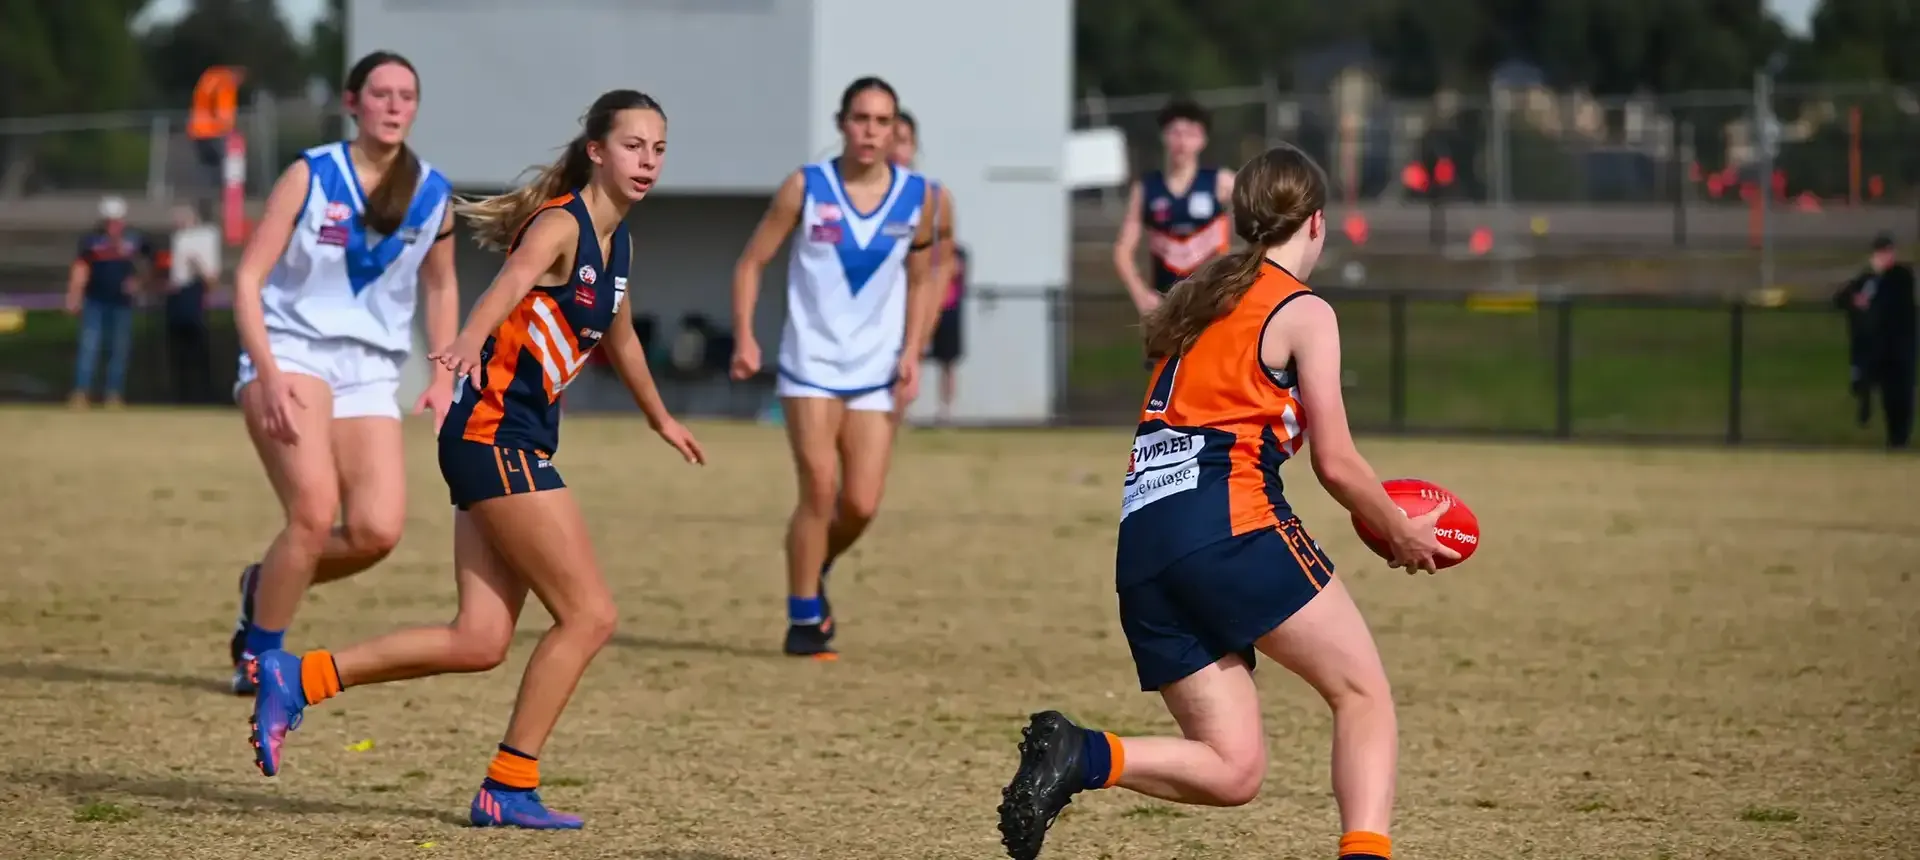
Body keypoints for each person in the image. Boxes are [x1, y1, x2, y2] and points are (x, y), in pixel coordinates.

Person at [245, 89, 706, 830]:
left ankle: (297, 676)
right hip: (496, 440)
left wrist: (660, 417)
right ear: (596, 151)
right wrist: (464, 345)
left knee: (480, 640)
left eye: (658, 148)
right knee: (589, 616)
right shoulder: (561, 224)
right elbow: (511, 282)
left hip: (500, 442)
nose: (647, 160)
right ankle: (508, 785)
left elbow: (618, 335)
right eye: (633, 145)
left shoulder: (619, 242)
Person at [996, 144, 1458, 860]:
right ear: (1316, 223)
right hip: (1228, 524)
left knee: (1234, 768)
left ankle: (1081, 755)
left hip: (1145, 543)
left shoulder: (1201, 297)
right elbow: (1336, 462)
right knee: (1363, 695)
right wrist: (1398, 529)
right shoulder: (1303, 311)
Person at [225, 51, 462, 695]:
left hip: (369, 371)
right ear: (352, 102)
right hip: (290, 352)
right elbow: (247, 278)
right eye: (380, 94)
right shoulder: (312, 174)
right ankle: (264, 658)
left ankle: (263, 582)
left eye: (405, 96)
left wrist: (443, 374)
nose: (393, 106)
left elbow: (442, 290)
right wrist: (267, 373)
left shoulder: (433, 193)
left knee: (376, 531)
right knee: (312, 511)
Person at [729, 76, 940, 658]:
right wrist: (746, 337)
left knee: (862, 503)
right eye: (861, 119)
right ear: (842, 123)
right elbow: (751, 264)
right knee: (819, 488)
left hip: (874, 372)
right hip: (810, 365)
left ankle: (811, 563)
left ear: (895, 128)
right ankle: (804, 620)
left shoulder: (921, 198)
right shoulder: (806, 187)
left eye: (882, 121)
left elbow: (923, 279)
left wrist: (911, 353)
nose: (871, 132)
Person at [1112, 99, 1236, 321]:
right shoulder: (1146, 188)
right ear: (1164, 136)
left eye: (1190, 134)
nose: (1182, 141)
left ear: (1202, 140)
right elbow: (1122, 252)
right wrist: (1141, 295)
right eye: (1175, 133)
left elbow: (1260, 216)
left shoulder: (1221, 182)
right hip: (1166, 308)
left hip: (1211, 307)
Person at [891, 109, 964, 425]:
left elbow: (943, 266)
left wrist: (920, 333)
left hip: (913, 309)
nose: (895, 149)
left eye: (903, 141)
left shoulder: (930, 199)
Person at [66, 195, 154, 409]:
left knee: (119, 349)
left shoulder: (135, 240)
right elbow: (80, 268)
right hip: (94, 300)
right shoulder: (90, 241)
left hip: (122, 303)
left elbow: (150, 264)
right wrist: (74, 296)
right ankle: (81, 393)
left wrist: (139, 282)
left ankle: (113, 394)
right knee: (89, 347)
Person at [1834, 233, 1917, 448]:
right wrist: (1854, 299)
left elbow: (1891, 302)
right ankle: (1866, 412)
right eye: (1879, 253)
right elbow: (1841, 297)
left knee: (1899, 396)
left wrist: (1868, 304)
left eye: (1886, 252)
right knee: (1871, 386)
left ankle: (1899, 439)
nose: (1882, 257)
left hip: (1897, 348)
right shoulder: (1867, 278)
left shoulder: (1900, 275)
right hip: (1874, 348)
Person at [161, 202, 222, 404]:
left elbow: (211, 279)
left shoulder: (204, 238)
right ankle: (180, 393)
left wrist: (198, 266)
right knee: (178, 351)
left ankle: (201, 393)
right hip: (177, 299)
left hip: (192, 299)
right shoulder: (173, 242)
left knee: (197, 349)